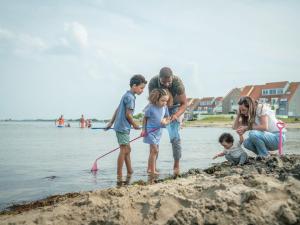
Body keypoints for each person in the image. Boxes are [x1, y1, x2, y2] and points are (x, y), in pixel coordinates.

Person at [106, 74, 147, 179]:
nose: (142, 90)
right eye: (141, 88)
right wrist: (135, 124)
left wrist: (111, 123)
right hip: (123, 127)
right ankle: (119, 175)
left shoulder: (127, 95)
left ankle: (130, 171)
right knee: (124, 150)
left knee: (127, 149)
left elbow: (117, 109)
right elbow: (128, 115)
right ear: (134, 86)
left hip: (120, 126)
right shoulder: (130, 98)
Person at [148, 67, 187, 175]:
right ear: (159, 79)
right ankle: (152, 167)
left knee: (175, 137)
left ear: (172, 78)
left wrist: (175, 116)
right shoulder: (153, 82)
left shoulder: (177, 83)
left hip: (175, 107)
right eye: (163, 82)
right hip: (158, 106)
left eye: (169, 81)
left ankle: (176, 165)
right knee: (154, 138)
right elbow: (152, 102)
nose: (166, 84)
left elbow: (184, 104)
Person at [141, 89, 171, 175]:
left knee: (153, 151)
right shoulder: (151, 107)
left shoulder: (165, 107)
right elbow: (145, 119)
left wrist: (165, 121)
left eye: (166, 101)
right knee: (155, 150)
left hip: (158, 132)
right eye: (162, 100)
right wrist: (143, 130)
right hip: (150, 131)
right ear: (156, 99)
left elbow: (168, 118)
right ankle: (153, 171)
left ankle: (149, 169)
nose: (165, 103)